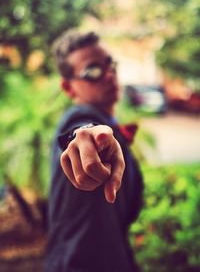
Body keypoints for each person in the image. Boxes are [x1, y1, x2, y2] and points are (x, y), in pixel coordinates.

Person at [45, 30, 144, 272]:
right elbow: (79, 132)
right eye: (93, 71)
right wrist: (86, 136)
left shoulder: (110, 121)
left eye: (110, 64)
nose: (109, 75)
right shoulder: (80, 120)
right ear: (69, 88)